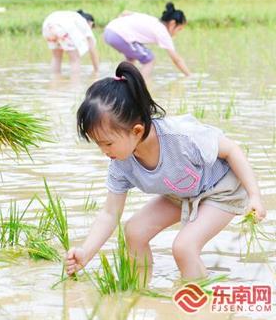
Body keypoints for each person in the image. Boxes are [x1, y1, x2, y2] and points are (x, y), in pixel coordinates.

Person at [66, 62, 266, 281]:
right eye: (98, 144)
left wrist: (254, 196)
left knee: (184, 247)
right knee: (135, 231)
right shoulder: (120, 163)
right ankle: (141, 288)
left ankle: (197, 304)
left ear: (137, 130)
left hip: (222, 189)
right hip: (182, 191)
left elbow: (232, 151)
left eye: (107, 144)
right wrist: (86, 252)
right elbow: (109, 213)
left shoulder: (181, 138)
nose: (103, 151)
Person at [103, 3, 191, 79]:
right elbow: (177, 60)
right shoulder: (163, 32)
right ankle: (140, 89)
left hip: (109, 30)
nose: (177, 33)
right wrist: (189, 76)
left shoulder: (153, 20)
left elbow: (125, 13)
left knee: (131, 59)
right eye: (179, 29)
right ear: (172, 24)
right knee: (150, 59)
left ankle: (122, 83)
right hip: (119, 35)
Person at [42, 10, 100, 78]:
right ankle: (75, 86)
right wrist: (97, 71)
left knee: (56, 57)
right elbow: (92, 49)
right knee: (75, 59)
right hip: (63, 28)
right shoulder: (83, 22)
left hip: (47, 27)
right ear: (90, 23)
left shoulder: (71, 16)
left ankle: (55, 81)